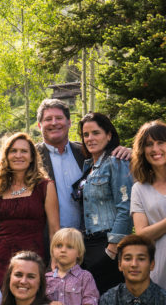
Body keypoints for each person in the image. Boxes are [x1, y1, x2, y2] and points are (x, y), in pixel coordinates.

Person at [35, 99, 131, 230]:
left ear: (69, 123)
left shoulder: (86, 152)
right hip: (51, 240)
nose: (54, 122)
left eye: (59, 118)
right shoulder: (30, 158)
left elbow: (113, 159)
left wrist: (131, 152)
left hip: (89, 238)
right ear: (39, 125)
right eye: (48, 119)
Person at [0, 132, 59, 286]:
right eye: (13, 151)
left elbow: (54, 230)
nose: (18, 155)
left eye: (24, 151)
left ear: (32, 157)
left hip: (32, 261)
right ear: (6, 156)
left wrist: (54, 262)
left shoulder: (45, 186)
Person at [73, 112, 133, 294]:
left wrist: (112, 250)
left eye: (96, 133)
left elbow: (126, 207)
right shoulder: (88, 166)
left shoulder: (116, 162)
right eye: (86, 134)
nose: (90, 138)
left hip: (108, 243)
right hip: (88, 246)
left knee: (108, 300)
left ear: (109, 135)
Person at [130, 120, 166, 290]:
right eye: (149, 144)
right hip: (159, 268)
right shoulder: (139, 189)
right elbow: (142, 235)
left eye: (160, 142)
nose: (155, 149)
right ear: (142, 151)